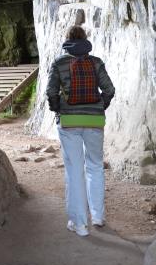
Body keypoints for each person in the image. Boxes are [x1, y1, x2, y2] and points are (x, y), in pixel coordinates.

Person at [46, 25, 115, 237]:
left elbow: (51, 92)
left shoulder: (60, 63)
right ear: (85, 40)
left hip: (69, 122)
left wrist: (59, 108)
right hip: (94, 121)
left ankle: (80, 224)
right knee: (95, 166)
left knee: (74, 170)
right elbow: (109, 90)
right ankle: (98, 216)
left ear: (67, 40)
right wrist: (98, 106)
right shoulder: (95, 62)